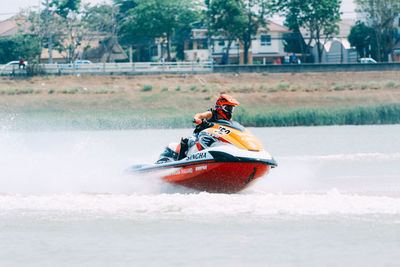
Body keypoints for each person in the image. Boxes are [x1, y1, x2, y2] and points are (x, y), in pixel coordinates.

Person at [177, 94, 240, 160]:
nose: (230, 111)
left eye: (231, 109)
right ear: (221, 107)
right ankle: (179, 163)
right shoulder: (211, 114)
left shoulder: (228, 121)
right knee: (188, 140)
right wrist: (197, 119)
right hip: (202, 135)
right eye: (228, 108)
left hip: (217, 137)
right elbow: (199, 115)